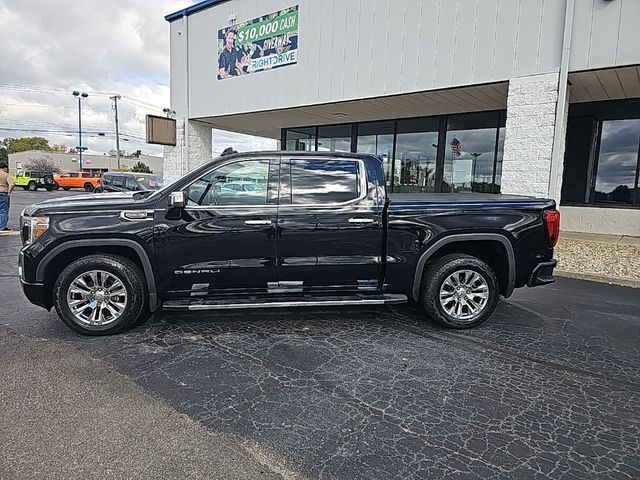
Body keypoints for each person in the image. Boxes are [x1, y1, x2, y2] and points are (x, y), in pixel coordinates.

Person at [0, 162, 15, 231]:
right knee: (3, 211)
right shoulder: (7, 175)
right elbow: (11, 184)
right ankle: (2, 227)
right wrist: (9, 192)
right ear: (4, 168)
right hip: (3, 193)